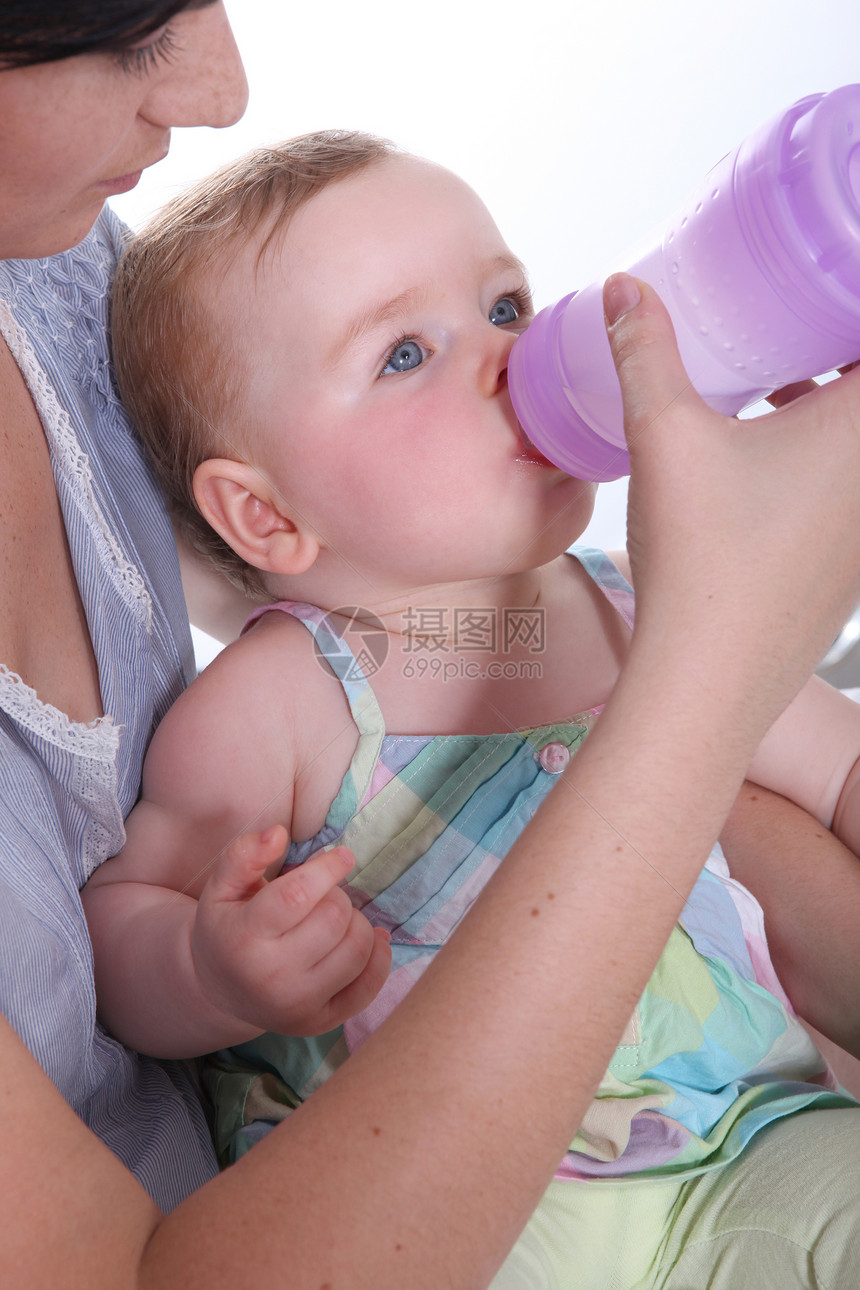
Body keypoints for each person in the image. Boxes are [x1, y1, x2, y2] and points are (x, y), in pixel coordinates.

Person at [2, 6, 860, 1283]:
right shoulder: (288, 697)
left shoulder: (634, 599)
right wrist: (212, 967)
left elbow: (837, 772)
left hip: (744, 1132)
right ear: (263, 514)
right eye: (406, 351)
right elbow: (126, 914)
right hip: (493, 1224)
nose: (508, 355)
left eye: (505, 299)